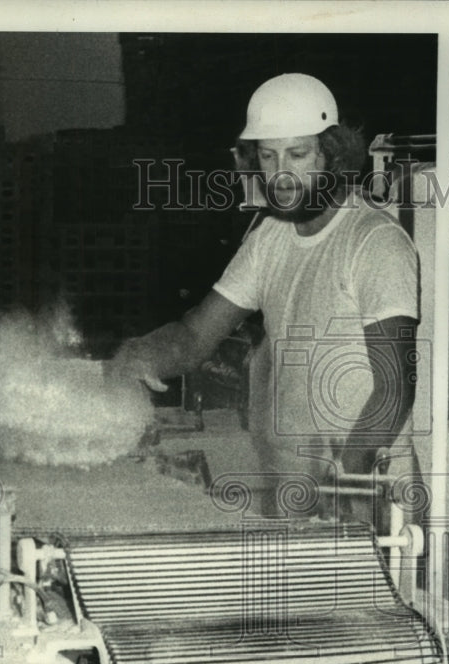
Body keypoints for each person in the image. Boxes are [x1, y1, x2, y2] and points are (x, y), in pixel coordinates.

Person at [114, 73, 419, 521]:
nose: (281, 175)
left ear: (331, 154)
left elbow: (394, 388)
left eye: (297, 155)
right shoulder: (270, 236)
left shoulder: (373, 241)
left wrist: (348, 479)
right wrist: (138, 355)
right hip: (294, 491)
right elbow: (196, 335)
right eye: (268, 156)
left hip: (367, 496)